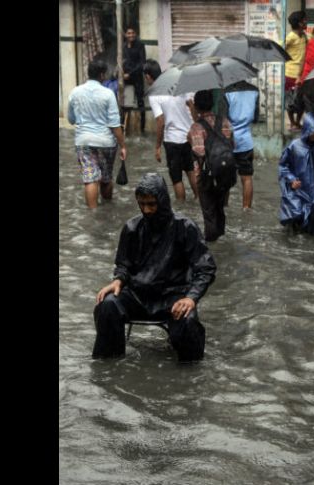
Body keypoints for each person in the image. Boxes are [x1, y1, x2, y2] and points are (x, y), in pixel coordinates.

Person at [92, 173, 216, 362]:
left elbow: (205, 268)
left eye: (151, 204)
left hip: (173, 296)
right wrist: (118, 280)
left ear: (163, 202)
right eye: (142, 204)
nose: (147, 210)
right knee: (107, 304)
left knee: (189, 323)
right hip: (137, 295)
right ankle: (108, 365)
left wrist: (191, 297)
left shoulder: (185, 228)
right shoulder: (132, 228)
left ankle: (191, 373)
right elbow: (124, 264)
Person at [67, 59, 127, 209]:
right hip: (106, 142)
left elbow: (71, 119)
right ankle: (107, 212)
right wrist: (123, 146)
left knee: (90, 179)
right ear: (102, 75)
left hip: (83, 142)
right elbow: (115, 125)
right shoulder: (108, 94)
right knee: (106, 178)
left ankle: (92, 215)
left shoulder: (75, 92)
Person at [144, 59, 199, 202]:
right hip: (188, 138)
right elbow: (191, 105)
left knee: (176, 178)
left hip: (172, 140)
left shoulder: (154, 93)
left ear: (148, 76)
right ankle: (199, 201)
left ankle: (181, 207)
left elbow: (160, 121)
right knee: (191, 171)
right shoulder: (177, 84)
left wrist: (157, 146)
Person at [188, 90, 234, 242]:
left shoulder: (196, 127)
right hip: (225, 173)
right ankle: (221, 238)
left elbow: (199, 152)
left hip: (206, 175)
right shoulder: (225, 121)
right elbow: (232, 145)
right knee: (220, 209)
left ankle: (212, 246)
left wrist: (190, 140)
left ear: (196, 106)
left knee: (209, 213)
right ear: (212, 103)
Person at [224, 81, 260, 209]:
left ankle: (225, 207)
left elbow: (223, 120)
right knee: (247, 178)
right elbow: (256, 118)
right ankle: (246, 209)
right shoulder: (255, 90)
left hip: (229, 142)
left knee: (225, 179)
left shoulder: (227, 92)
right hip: (246, 142)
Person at [284, 11, 308, 131]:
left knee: (301, 100)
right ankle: (292, 123)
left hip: (302, 74)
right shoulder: (290, 37)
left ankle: (298, 122)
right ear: (299, 23)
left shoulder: (304, 36)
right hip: (290, 74)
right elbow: (281, 47)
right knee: (290, 101)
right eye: (304, 20)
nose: (306, 22)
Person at [123, 26, 147, 134]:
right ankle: (125, 128)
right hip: (126, 78)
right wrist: (122, 73)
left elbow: (142, 63)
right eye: (129, 33)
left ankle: (142, 129)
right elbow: (122, 61)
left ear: (135, 34)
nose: (131, 35)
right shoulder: (124, 46)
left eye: (132, 32)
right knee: (126, 103)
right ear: (125, 34)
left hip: (137, 77)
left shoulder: (140, 45)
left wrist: (130, 73)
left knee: (140, 102)